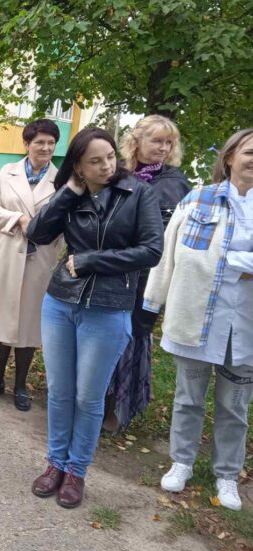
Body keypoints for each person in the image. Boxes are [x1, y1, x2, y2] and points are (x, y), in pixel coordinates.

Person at [26, 127, 163, 508]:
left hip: (109, 307)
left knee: (88, 398)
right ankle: (55, 463)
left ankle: (76, 471)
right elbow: (37, 232)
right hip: (60, 303)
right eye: (95, 161)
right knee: (59, 391)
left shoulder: (138, 193)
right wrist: (69, 192)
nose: (106, 166)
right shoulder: (72, 193)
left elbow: (152, 250)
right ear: (78, 168)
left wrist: (92, 261)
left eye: (110, 157)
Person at [146, 129, 253, 512]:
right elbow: (170, 254)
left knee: (234, 407)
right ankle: (182, 461)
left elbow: (220, 259)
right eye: (249, 152)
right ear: (229, 158)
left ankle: (227, 474)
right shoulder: (198, 199)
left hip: (244, 326)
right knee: (189, 397)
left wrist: (231, 262)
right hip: (197, 317)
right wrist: (152, 302)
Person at [104, 115, 191, 432]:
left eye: (169, 142)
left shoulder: (174, 181)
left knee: (131, 338)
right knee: (104, 332)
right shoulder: (117, 173)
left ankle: (117, 405)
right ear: (137, 141)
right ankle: (94, 401)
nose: (164, 148)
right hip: (111, 269)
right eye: (157, 140)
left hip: (145, 277)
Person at [0, 119, 63, 411]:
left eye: (51, 143)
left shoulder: (61, 179)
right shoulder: (7, 172)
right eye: (40, 142)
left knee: (29, 325)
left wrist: (43, 230)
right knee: (0, 321)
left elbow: (64, 221)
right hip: (7, 256)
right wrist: (20, 219)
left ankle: (20, 386)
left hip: (39, 260)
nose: (46, 148)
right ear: (27, 144)